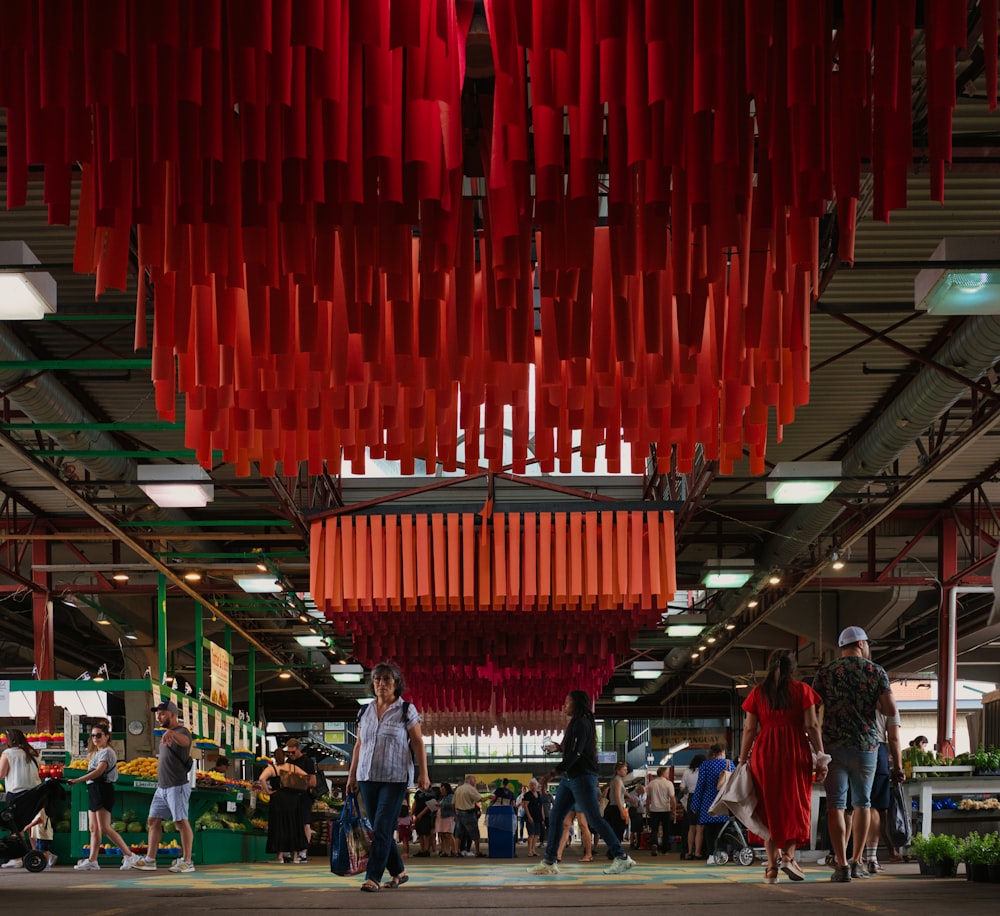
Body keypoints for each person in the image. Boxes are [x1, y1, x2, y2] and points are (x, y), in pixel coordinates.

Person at [813, 626, 903, 884]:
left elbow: (812, 710)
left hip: (832, 746)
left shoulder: (825, 673)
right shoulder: (875, 671)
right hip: (865, 746)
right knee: (863, 803)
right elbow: (889, 709)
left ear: (842, 646)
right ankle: (857, 860)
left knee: (836, 806)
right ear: (862, 644)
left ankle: (840, 864)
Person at [737, 648, 828, 884]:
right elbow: (812, 725)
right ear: (793, 667)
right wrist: (820, 755)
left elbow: (749, 729)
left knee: (767, 807)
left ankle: (771, 868)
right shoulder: (802, 691)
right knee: (795, 804)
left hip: (764, 752)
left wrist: (742, 758)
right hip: (795, 750)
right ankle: (788, 856)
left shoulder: (758, 693)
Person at [528, 690, 637, 876]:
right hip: (571, 778)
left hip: (582, 777)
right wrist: (559, 747)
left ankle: (622, 858)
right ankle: (549, 862)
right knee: (556, 818)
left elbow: (576, 754)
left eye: (567, 702)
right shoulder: (576, 724)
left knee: (593, 818)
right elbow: (572, 749)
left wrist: (553, 773)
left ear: (577, 703)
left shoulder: (581, 723)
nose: (564, 706)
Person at [346, 661, 430, 892]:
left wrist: (423, 772)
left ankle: (372, 877)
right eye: (377, 679)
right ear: (373, 684)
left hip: (395, 777)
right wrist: (351, 776)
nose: (381, 684)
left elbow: (417, 741)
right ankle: (399, 872)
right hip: (366, 776)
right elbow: (359, 745)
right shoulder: (365, 711)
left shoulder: (406, 710)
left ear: (396, 683)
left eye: (387, 679)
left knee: (383, 827)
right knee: (378, 827)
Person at [67, 720, 143, 871]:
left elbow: (99, 771)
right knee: (94, 827)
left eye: (99, 735)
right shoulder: (97, 753)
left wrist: (78, 780)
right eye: (93, 736)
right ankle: (92, 860)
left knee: (105, 827)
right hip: (94, 789)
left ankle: (129, 855)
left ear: (107, 736)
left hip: (102, 789)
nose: (95, 738)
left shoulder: (107, 752)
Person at [132, 700, 195, 873]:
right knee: (153, 820)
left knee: (181, 822)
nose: (158, 717)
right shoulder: (165, 734)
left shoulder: (182, 732)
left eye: (162, 713)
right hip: (162, 787)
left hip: (177, 786)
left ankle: (188, 861)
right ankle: (150, 859)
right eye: (157, 714)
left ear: (173, 715)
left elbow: (185, 742)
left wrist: (172, 734)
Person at [255, 744, 311, 864]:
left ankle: (280, 856)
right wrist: (299, 788)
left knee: (280, 826)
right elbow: (306, 776)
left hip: (278, 798)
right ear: (285, 757)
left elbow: (261, 779)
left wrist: (268, 791)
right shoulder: (292, 767)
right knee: (294, 825)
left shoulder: (271, 768)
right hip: (294, 798)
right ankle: (295, 856)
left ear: (274, 757)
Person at [863, 709, 902, 874]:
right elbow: (893, 738)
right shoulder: (889, 705)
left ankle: (851, 856)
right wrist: (898, 767)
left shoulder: (856, 695)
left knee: (854, 806)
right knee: (875, 807)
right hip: (878, 749)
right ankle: (872, 857)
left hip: (853, 749)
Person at [0, 727, 41, 869]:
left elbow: (1, 773)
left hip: (15, 795)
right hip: (32, 795)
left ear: (10, 740)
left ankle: (16, 857)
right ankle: (20, 857)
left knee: (14, 826)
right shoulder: (33, 753)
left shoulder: (8, 753)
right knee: (20, 827)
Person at [689, 743, 734, 863]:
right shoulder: (729, 764)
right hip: (724, 800)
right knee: (723, 829)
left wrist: (694, 805)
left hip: (708, 800)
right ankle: (722, 853)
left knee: (709, 830)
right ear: (722, 752)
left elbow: (700, 786)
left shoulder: (705, 765)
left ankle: (710, 855)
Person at [283, 738, 316, 862]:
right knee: (290, 823)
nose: (291, 755)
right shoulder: (287, 762)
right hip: (290, 796)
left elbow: (313, 782)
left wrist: (298, 782)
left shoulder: (307, 762)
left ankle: (303, 852)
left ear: (299, 749)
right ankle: (291, 851)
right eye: (289, 753)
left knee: (304, 824)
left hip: (304, 796)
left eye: (293, 752)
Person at [645, 766, 676, 856]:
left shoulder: (651, 783)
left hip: (654, 810)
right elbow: (672, 799)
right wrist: (673, 810)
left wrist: (647, 810)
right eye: (667, 773)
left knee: (654, 830)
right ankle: (665, 850)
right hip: (665, 809)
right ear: (663, 773)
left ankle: (654, 844)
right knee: (666, 830)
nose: (668, 774)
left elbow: (648, 799)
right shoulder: (669, 784)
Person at [679, 754, 705, 859]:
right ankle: (698, 852)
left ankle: (689, 852)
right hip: (701, 798)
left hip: (691, 797)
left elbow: (681, 788)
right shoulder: (703, 771)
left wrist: (689, 788)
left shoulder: (687, 771)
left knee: (691, 827)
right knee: (700, 828)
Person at [454, 774, 483, 857]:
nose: (475, 782)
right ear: (470, 781)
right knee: (475, 833)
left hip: (459, 813)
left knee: (458, 833)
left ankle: (456, 851)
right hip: (468, 813)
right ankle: (478, 851)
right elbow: (480, 799)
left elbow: (453, 803)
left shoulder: (458, 789)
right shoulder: (471, 789)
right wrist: (489, 797)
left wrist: (455, 813)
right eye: (474, 780)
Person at [603, 762, 629, 844]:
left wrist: (631, 799)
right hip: (616, 808)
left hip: (613, 807)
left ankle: (613, 850)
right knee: (619, 830)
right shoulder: (617, 780)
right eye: (624, 769)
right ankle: (615, 851)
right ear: (618, 770)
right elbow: (617, 796)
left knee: (616, 830)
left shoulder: (615, 780)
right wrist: (621, 811)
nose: (626, 771)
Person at [521, 778, 544, 857]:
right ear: (530, 786)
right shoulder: (527, 795)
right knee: (531, 834)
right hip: (530, 817)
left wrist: (543, 815)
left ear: (537, 786)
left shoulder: (539, 794)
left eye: (535, 785)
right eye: (532, 785)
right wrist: (529, 816)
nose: (534, 786)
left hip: (538, 817)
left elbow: (541, 806)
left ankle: (534, 850)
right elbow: (525, 806)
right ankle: (529, 851)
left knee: (536, 835)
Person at [412, 787, 436, 856]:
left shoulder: (432, 794)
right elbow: (415, 803)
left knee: (426, 833)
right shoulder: (418, 793)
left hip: (427, 816)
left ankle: (426, 850)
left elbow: (429, 806)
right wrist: (412, 814)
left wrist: (421, 814)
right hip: (417, 815)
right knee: (420, 832)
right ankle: (421, 849)